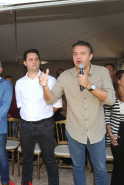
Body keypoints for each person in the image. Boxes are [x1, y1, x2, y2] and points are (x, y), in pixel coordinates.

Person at [43, 40, 115, 185]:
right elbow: (51, 100)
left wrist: (89, 85)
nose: (78, 57)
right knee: (78, 168)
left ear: (91, 56)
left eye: (83, 53)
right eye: (75, 54)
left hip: (96, 130)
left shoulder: (102, 72)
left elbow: (111, 100)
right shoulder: (65, 76)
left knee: (100, 169)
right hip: (74, 130)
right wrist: (44, 87)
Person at [15, 49, 62, 185]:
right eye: (30, 59)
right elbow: (20, 105)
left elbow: (57, 104)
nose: (34, 62)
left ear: (39, 61)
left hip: (45, 125)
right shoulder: (19, 83)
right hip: (25, 126)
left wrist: (44, 115)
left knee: (50, 160)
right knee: (27, 159)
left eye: (36, 59)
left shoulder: (50, 80)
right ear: (25, 63)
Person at [105, 70, 124, 185]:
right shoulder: (111, 96)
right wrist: (111, 135)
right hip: (117, 130)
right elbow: (107, 117)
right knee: (119, 163)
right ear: (118, 80)